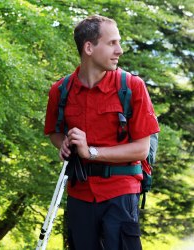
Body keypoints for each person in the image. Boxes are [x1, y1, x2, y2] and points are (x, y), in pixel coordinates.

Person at [44, 15, 160, 250]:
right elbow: (54, 132)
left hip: (121, 192)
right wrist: (64, 143)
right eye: (112, 43)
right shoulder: (60, 91)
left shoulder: (131, 87)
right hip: (79, 193)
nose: (120, 50)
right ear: (89, 47)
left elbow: (141, 148)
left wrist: (91, 152)